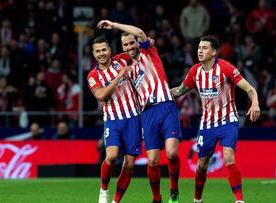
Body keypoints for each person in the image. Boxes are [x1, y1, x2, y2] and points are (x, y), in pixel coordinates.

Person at [97, 20, 182, 203]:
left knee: (172, 153)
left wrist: (114, 25)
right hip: (147, 114)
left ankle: (174, 189)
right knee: (152, 161)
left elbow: (140, 31)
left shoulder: (148, 52)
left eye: (131, 43)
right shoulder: (128, 69)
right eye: (125, 45)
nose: (129, 47)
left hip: (166, 105)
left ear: (137, 42)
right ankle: (156, 198)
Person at [171, 35, 260, 203]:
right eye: (199, 48)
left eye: (204, 48)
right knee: (202, 164)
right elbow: (180, 90)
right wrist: (159, 95)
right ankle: (197, 199)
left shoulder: (225, 68)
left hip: (228, 121)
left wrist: (254, 103)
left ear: (214, 52)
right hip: (207, 124)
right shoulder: (195, 71)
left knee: (228, 157)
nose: (200, 51)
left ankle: (239, 200)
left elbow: (249, 89)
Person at [87, 36, 142, 203]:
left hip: (133, 118)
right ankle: (103, 191)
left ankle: (116, 201)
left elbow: (138, 49)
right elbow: (101, 94)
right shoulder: (93, 75)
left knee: (130, 164)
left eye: (104, 49)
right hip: (113, 119)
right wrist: (118, 77)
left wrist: (148, 42)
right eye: (98, 51)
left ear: (110, 50)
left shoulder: (122, 60)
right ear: (93, 54)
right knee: (111, 156)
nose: (102, 53)